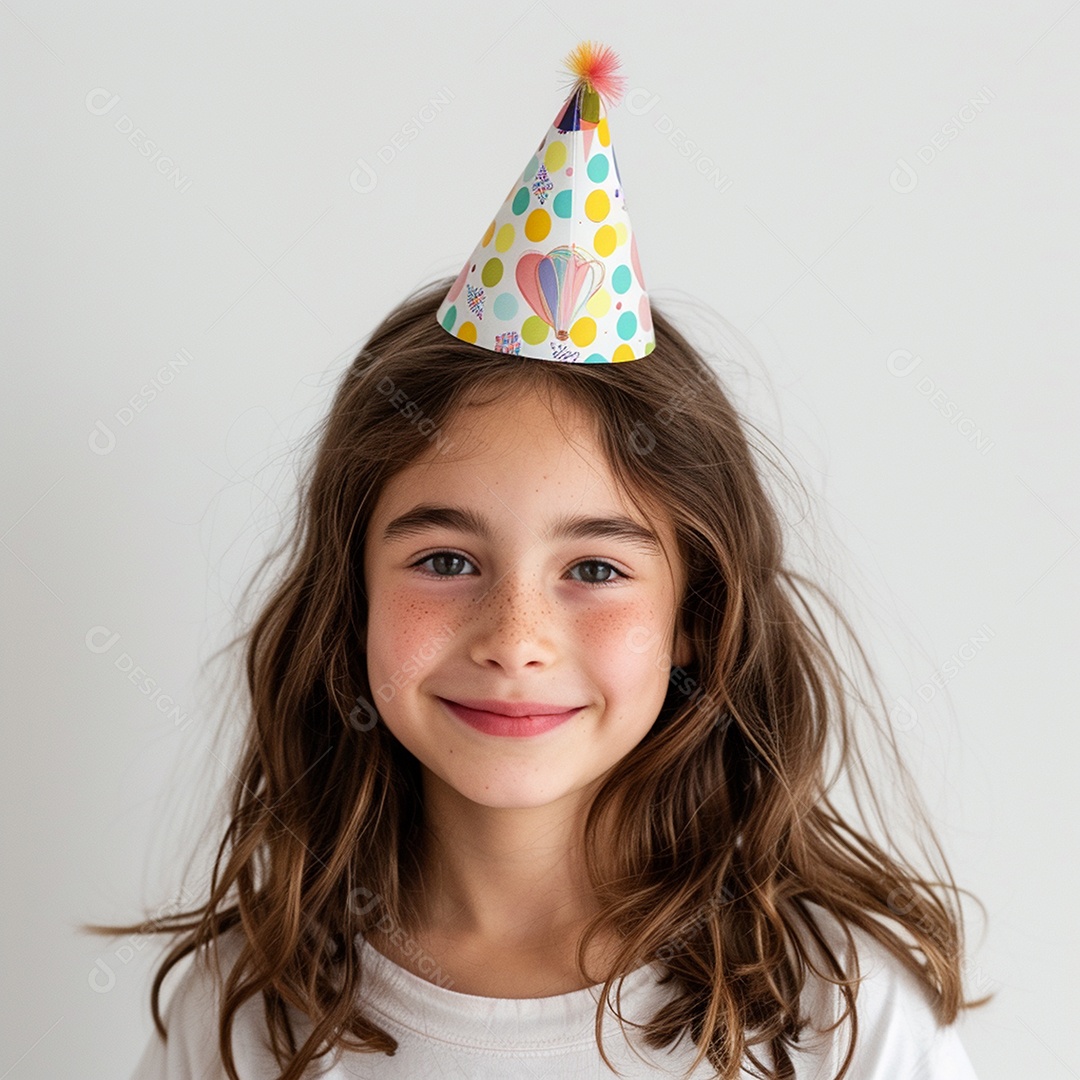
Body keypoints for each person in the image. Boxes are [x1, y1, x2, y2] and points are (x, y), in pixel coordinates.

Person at [86, 41, 990, 1080]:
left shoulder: (835, 1015)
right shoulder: (257, 1012)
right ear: (352, 597)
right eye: (445, 560)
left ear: (696, 609)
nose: (515, 639)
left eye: (596, 570)